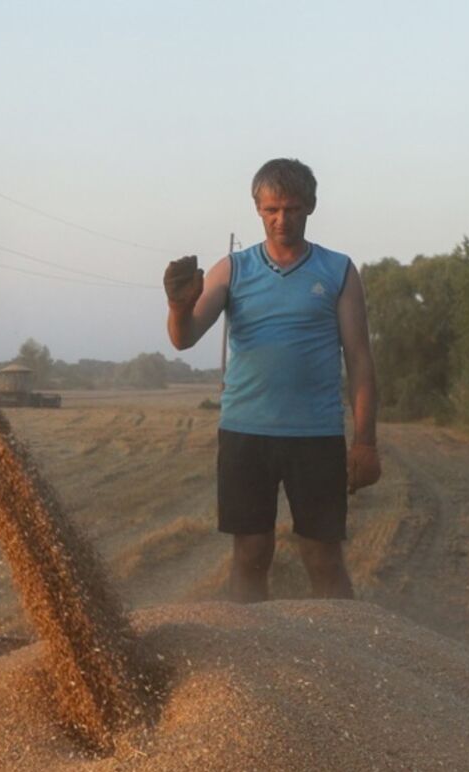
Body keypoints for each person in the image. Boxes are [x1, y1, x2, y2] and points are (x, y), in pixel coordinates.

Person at [164, 158, 379, 602]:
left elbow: (359, 359)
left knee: (323, 556)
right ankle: (249, 659)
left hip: (316, 434)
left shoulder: (338, 271)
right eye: (272, 210)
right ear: (257, 210)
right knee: (251, 552)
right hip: (246, 431)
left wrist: (365, 442)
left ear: (311, 207)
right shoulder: (232, 269)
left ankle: (346, 656)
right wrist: (178, 306)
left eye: (293, 209)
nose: (283, 219)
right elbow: (184, 339)